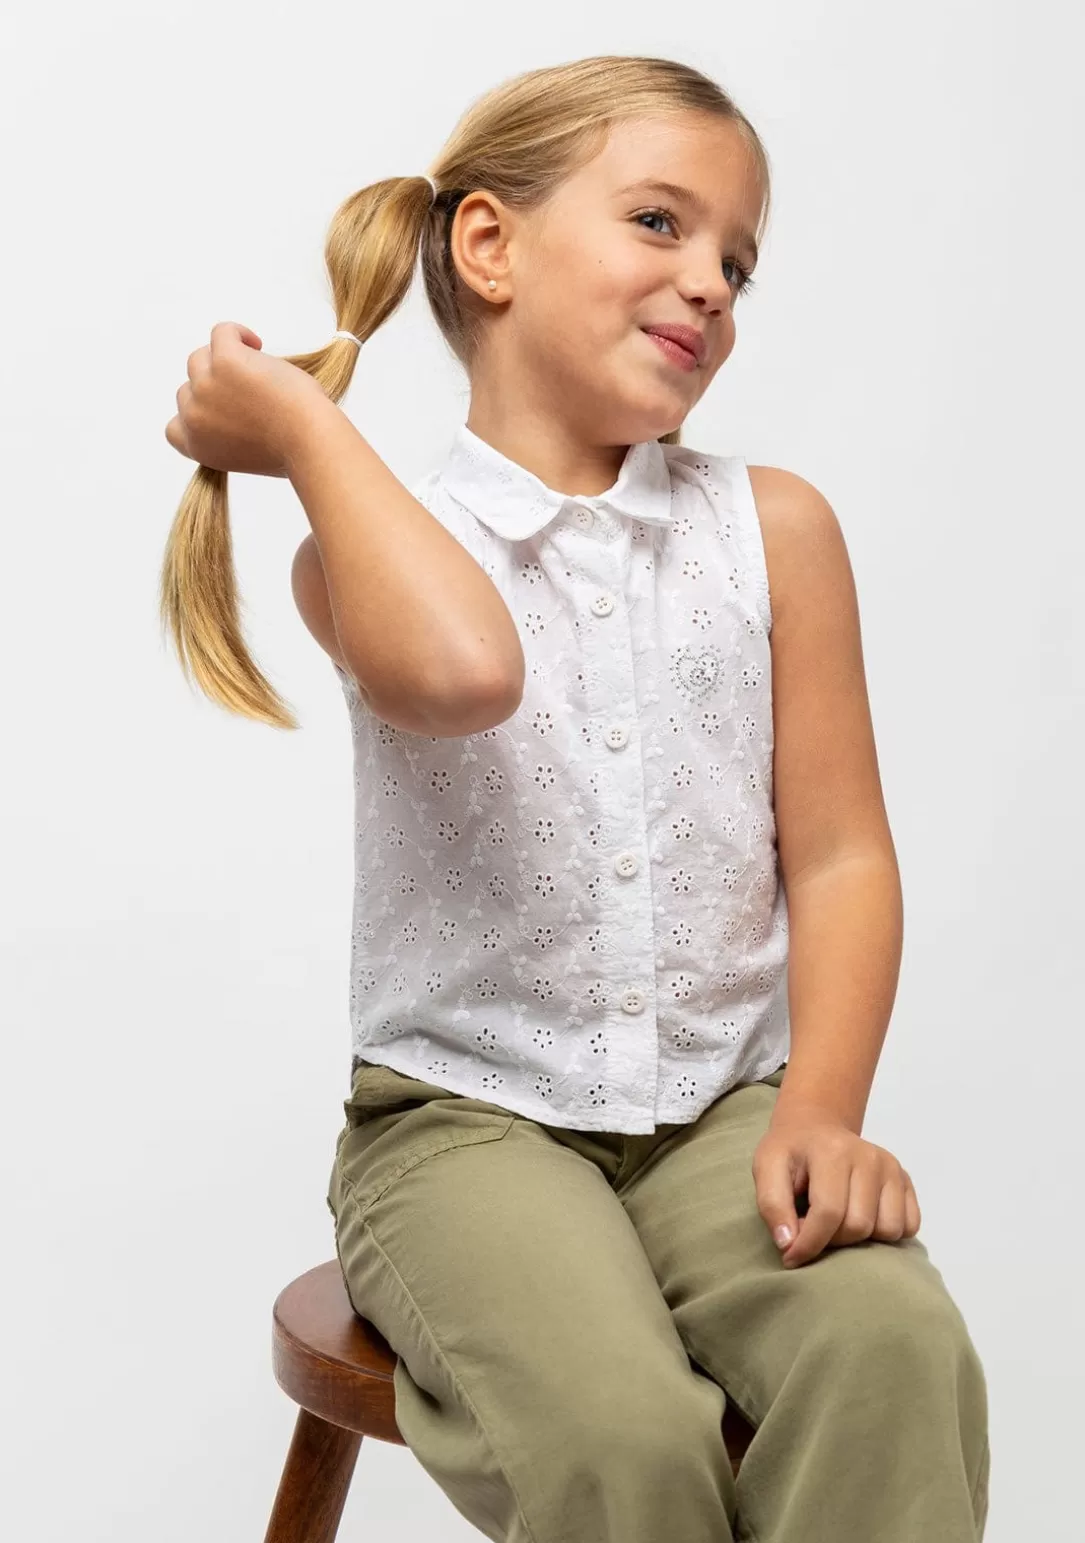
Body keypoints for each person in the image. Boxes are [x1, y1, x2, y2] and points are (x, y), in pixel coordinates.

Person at [162, 53, 990, 1543]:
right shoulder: (367, 550)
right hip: (463, 1132)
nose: (716, 283)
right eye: (663, 223)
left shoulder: (775, 530)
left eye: (739, 257)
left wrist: (824, 1105)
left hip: (718, 1119)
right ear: (489, 248)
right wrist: (305, 435)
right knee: (620, 1435)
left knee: (894, 1347)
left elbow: (847, 852)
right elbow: (471, 668)